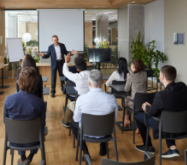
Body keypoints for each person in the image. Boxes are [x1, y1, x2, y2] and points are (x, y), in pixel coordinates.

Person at [135, 65, 187, 158]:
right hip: (183, 126)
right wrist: (154, 107)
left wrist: (146, 107)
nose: (159, 77)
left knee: (138, 116)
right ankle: (172, 148)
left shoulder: (161, 95)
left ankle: (149, 146)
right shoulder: (183, 87)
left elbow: (152, 112)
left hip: (166, 126)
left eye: (159, 75)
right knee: (167, 114)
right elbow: (171, 105)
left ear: (163, 76)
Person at [71, 69, 118, 158]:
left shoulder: (81, 99)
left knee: (73, 123)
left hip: (86, 132)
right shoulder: (111, 98)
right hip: (106, 132)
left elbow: (76, 119)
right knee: (104, 120)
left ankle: (85, 152)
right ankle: (103, 147)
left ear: (89, 83)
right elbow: (114, 120)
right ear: (103, 82)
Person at [4, 67, 46, 165]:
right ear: (35, 83)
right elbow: (42, 125)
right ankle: (29, 157)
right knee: (37, 132)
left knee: (18, 129)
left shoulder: (8, 100)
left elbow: (5, 122)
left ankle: (23, 158)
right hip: (34, 141)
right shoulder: (40, 103)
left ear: (19, 81)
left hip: (14, 141)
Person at [61, 53, 90, 127]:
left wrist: (66, 62)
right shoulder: (94, 75)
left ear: (77, 69)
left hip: (81, 105)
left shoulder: (78, 77)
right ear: (86, 64)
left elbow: (65, 72)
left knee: (68, 105)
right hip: (92, 104)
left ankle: (66, 122)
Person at [122, 59, 147, 132]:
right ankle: (131, 121)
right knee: (128, 99)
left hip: (136, 102)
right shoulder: (145, 74)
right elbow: (146, 87)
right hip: (145, 101)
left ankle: (130, 120)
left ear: (133, 66)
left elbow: (126, 89)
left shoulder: (130, 75)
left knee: (127, 100)